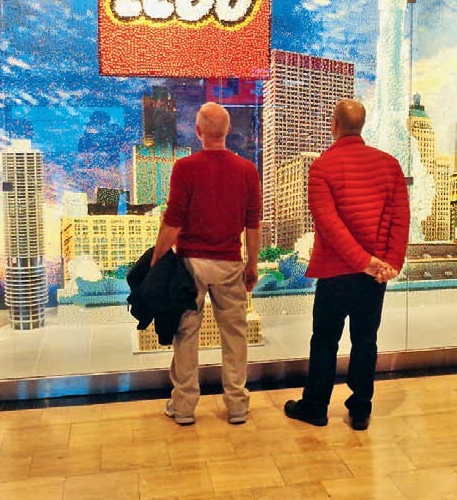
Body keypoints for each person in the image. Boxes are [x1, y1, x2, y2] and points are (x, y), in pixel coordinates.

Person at [284, 99, 410, 430]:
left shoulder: (322, 167)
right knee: (366, 340)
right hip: (374, 276)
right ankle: (360, 409)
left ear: (334, 125)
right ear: (362, 125)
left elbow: (328, 224)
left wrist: (361, 261)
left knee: (325, 340)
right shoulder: (389, 165)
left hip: (335, 272)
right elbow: (401, 219)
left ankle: (315, 407)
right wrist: (389, 263)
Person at [150, 102, 262, 425]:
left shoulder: (185, 168)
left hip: (190, 266)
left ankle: (184, 406)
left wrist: (157, 260)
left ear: (198, 131)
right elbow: (252, 225)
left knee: (186, 333)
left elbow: (173, 222)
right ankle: (237, 404)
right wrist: (252, 264)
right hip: (229, 263)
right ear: (228, 131)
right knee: (235, 335)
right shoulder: (247, 171)